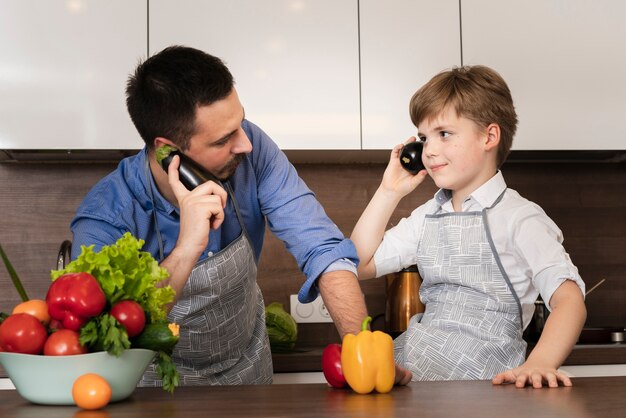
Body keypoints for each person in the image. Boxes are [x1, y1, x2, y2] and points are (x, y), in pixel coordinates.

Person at [70, 45, 411, 386]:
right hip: (153, 387)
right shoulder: (106, 215)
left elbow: (321, 247)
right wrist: (188, 246)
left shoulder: (253, 149)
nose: (244, 144)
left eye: (240, 123)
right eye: (223, 139)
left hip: (246, 373)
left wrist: (365, 350)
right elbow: (106, 334)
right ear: (167, 149)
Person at [351, 65, 587, 388]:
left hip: (486, 386)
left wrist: (540, 363)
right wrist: (388, 191)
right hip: (412, 378)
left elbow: (569, 300)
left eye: (444, 134)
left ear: (489, 136)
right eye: (423, 138)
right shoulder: (427, 216)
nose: (429, 150)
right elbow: (358, 263)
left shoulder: (521, 218)